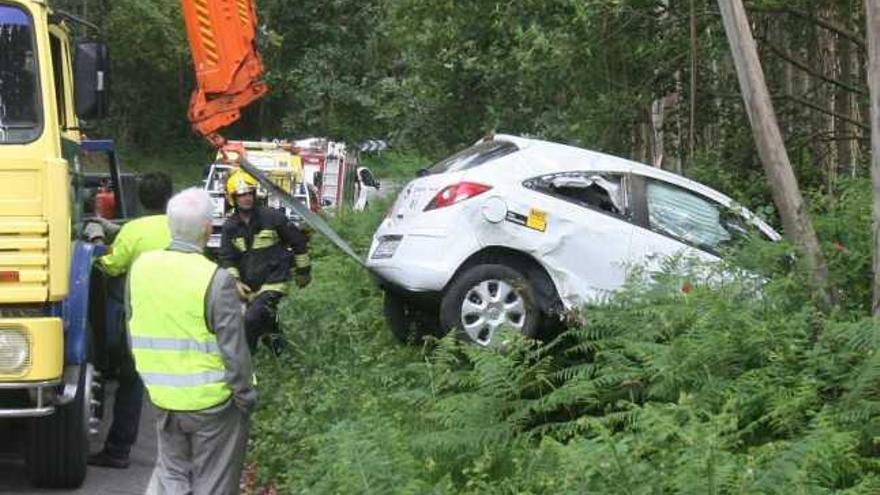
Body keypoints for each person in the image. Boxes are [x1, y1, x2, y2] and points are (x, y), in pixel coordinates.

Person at [128, 188, 255, 495]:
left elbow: (130, 329)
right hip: (213, 403)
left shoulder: (141, 268)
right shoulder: (216, 278)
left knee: (172, 475)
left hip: (163, 397)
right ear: (207, 230)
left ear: (170, 226)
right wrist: (245, 396)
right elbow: (233, 348)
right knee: (213, 482)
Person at [87, 172, 173, 469]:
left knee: (131, 382)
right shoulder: (180, 227)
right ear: (169, 198)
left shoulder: (134, 231)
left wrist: (97, 240)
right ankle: (188, 455)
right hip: (176, 316)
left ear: (139, 198)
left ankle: (118, 450)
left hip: (140, 317)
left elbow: (112, 266)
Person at [219, 170, 312, 354]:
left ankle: (247, 361)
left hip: (274, 281)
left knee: (251, 318)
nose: (247, 198)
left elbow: (298, 241)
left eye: (249, 193)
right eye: (241, 195)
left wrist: (304, 272)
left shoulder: (272, 217)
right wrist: (236, 281)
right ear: (233, 198)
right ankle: (280, 352)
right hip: (248, 286)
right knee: (262, 319)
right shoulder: (230, 226)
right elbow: (227, 258)